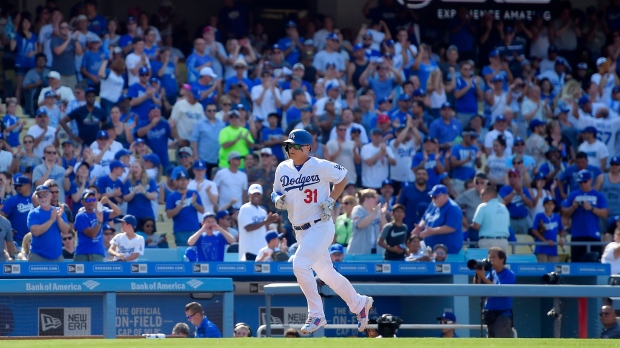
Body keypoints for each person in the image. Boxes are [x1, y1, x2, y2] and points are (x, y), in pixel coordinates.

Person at [271, 129, 373, 334]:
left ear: (308, 147)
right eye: (289, 145)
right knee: (326, 273)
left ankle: (316, 314)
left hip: (320, 225)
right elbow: (276, 191)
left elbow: (343, 176)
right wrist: (276, 200)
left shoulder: (319, 165)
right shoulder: (282, 168)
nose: (291, 148)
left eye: (296, 145)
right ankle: (359, 303)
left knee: (299, 264)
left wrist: (332, 199)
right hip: (300, 231)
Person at [562, 170, 609, 262]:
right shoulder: (573, 195)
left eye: (585, 181)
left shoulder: (598, 195)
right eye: (580, 182)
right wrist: (573, 207)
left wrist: (591, 208)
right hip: (577, 235)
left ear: (590, 180)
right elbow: (565, 214)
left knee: (593, 264)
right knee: (577, 264)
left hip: (593, 234)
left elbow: (604, 213)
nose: (582, 184)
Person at [474, 247, 515, 338]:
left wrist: (483, 277)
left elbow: (500, 290)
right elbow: (478, 287)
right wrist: (478, 274)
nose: (490, 260)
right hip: (490, 315)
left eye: (493, 257)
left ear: (502, 259)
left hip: (502, 316)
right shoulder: (491, 273)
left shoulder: (509, 274)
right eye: (489, 257)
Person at [412, 185, 463, 254]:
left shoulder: (453, 208)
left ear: (444, 196)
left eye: (435, 197)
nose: (433, 199)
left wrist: (432, 231)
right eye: (431, 196)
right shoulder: (433, 204)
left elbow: (451, 227)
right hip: (431, 250)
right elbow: (424, 218)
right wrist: (420, 227)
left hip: (447, 252)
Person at [74, 191, 121, 262]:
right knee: (80, 273)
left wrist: (108, 201)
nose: (91, 202)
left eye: (93, 200)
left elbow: (118, 212)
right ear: (83, 202)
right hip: (83, 253)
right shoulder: (81, 216)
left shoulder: (100, 212)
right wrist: (99, 222)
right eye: (88, 200)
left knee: (97, 273)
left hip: (97, 252)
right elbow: (92, 234)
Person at [27, 185, 70, 262]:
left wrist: (58, 218)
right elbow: (36, 232)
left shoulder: (58, 211)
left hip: (57, 256)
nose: (43, 198)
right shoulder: (33, 213)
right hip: (38, 256)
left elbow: (66, 231)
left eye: (45, 195)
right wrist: (51, 220)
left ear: (50, 196)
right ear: (37, 198)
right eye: (40, 196)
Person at [238, 184, 278, 261]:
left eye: (258, 194)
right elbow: (248, 228)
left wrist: (271, 221)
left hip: (261, 251)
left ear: (261, 195)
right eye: (254, 194)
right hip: (248, 251)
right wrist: (266, 221)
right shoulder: (245, 208)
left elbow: (265, 230)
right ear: (249, 194)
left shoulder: (262, 211)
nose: (256, 196)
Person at [166, 170, 204, 247]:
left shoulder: (194, 193)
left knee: (196, 255)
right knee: (183, 254)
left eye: (185, 179)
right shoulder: (172, 196)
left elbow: (202, 210)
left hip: (194, 229)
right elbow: (169, 214)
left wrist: (194, 203)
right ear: (176, 181)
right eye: (180, 180)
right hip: (180, 231)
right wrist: (180, 206)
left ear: (188, 181)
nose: (183, 182)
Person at [471, 185, 511, 251]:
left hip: (488, 242)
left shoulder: (483, 207)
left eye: (482, 194)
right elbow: (507, 225)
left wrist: (471, 225)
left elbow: (476, 226)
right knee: (502, 261)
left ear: (489, 194)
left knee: (487, 261)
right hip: (504, 242)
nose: (480, 197)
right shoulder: (504, 208)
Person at [347, 189, 387, 255]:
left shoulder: (376, 211)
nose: (376, 199)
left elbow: (386, 228)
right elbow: (360, 225)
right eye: (374, 197)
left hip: (376, 250)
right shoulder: (358, 209)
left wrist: (382, 214)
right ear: (366, 198)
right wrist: (374, 213)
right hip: (359, 251)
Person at [1, 176, 34, 245]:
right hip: (18, 239)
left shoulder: (35, 198)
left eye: (20, 185)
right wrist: (9, 229)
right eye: (17, 186)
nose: (18, 188)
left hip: (34, 237)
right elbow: (1, 212)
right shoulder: (13, 200)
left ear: (28, 185)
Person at [532, 197, 565, 263]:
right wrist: (545, 241)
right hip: (541, 248)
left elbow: (561, 229)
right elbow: (534, 230)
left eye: (552, 204)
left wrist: (561, 238)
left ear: (554, 206)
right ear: (543, 205)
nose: (550, 206)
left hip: (553, 248)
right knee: (542, 270)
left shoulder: (557, 216)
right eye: (547, 204)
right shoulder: (539, 215)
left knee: (552, 271)